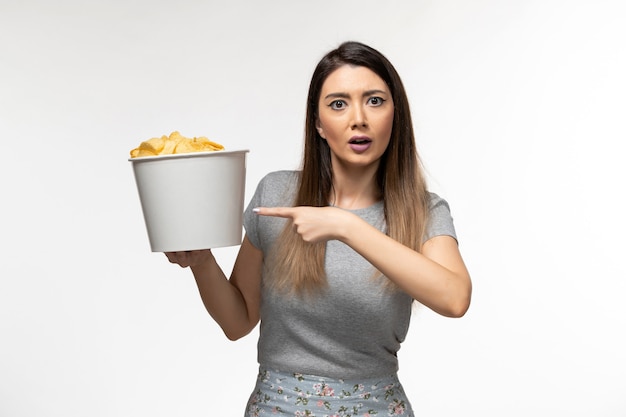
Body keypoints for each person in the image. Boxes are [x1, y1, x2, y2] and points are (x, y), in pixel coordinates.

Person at [165, 41, 472, 416]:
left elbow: (455, 298)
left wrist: (346, 226)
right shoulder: (278, 194)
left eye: (374, 100)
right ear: (318, 123)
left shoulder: (423, 211)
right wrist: (200, 261)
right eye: (338, 104)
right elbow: (238, 321)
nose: (358, 118)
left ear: (396, 114)